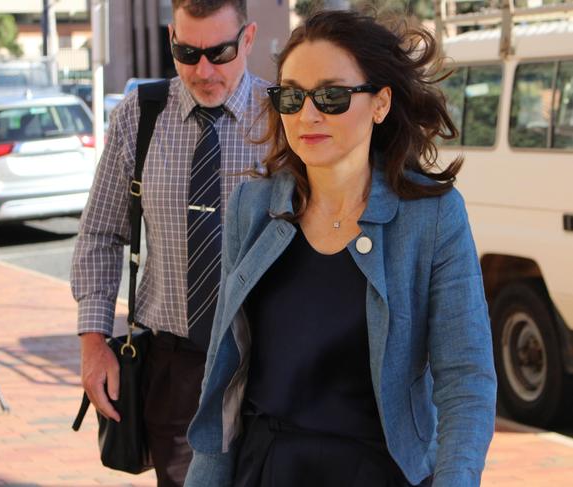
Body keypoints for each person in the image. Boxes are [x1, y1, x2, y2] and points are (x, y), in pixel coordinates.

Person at [184, 9, 497, 487]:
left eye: (331, 96)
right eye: (291, 96)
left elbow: (466, 382)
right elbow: (222, 375)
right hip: (267, 471)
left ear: (380, 103)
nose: (307, 114)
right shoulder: (252, 207)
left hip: (379, 472)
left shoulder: (432, 217)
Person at [70, 1, 268, 486]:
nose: (202, 71)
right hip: (176, 368)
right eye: (186, 51)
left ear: (248, 38)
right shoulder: (141, 116)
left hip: (268, 361)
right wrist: (94, 342)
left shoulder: (284, 119)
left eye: (219, 52)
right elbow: (100, 232)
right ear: (170, 37)